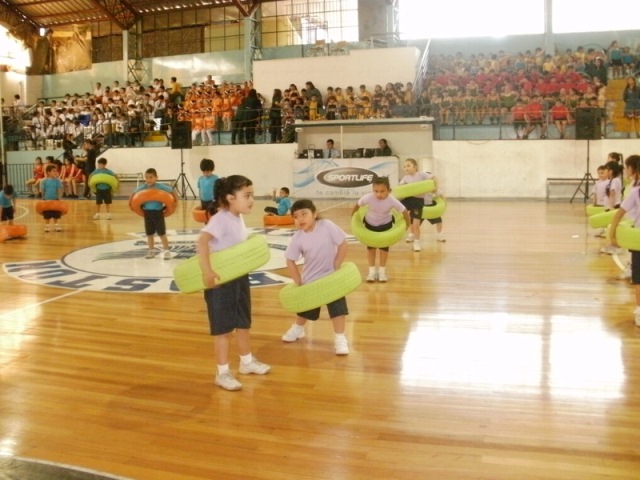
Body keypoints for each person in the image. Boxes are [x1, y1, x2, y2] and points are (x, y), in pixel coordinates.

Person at [196, 175, 270, 391]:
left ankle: (247, 362)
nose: (251, 200)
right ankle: (222, 372)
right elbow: (202, 241)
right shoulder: (220, 219)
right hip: (221, 281)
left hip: (239, 278)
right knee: (223, 329)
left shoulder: (238, 217)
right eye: (247, 196)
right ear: (230, 198)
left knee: (242, 322)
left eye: (252, 195)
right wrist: (207, 271)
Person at [281, 199, 350, 355]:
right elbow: (289, 259)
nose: (301, 219)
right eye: (296, 216)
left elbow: (343, 244)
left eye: (304, 214)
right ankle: (298, 329)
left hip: (330, 278)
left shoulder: (327, 225)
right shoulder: (297, 238)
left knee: (338, 309)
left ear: (315, 214)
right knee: (305, 310)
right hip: (311, 281)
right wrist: (297, 279)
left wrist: (336, 265)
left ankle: (340, 338)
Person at [352, 177, 410, 282]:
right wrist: (353, 218)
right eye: (376, 191)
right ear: (372, 190)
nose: (379, 194)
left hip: (385, 225)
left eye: (382, 191)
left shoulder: (392, 200)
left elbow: (404, 211)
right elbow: (357, 205)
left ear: (389, 190)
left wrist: (407, 225)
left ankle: (382, 272)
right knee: (371, 249)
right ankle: (371, 272)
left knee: (384, 250)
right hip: (370, 224)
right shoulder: (368, 197)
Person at [609, 155, 640, 325]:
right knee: (639, 279)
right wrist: (612, 233)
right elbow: (620, 213)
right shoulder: (636, 192)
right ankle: (639, 310)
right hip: (638, 239)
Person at [130, 168, 178, 260]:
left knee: (162, 233)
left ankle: (167, 251)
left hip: (158, 213)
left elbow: (172, 190)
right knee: (149, 234)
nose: (148, 180)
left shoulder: (160, 186)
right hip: (147, 213)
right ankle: (151, 251)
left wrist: (176, 201)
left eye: (151, 177)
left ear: (156, 178)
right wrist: (130, 203)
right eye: (146, 177)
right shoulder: (144, 187)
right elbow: (133, 192)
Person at [399, 158, 429, 252]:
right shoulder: (405, 178)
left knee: (416, 224)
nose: (406, 168)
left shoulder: (421, 174)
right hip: (408, 199)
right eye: (404, 166)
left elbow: (433, 178)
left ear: (415, 167)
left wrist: (435, 187)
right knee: (399, 214)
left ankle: (417, 242)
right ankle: (410, 235)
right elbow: (399, 188)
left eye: (408, 165)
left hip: (418, 201)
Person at [600, 160, 624, 255]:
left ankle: (616, 246)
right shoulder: (612, 180)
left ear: (611, 171)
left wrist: (611, 207)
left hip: (614, 206)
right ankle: (611, 244)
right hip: (611, 206)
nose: (606, 172)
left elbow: (613, 194)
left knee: (612, 228)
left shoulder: (615, 180)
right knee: (609, 227)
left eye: (607, 170)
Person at [423, 171, 447, 242]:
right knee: (414, 222)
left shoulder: (433, 189)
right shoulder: (420, 188)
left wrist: (445, 204)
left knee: (439, 220)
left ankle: (439, 235)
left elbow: (441, 196)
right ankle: (412, 235)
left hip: (430, 207)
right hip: (420, 206)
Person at [40, 164, 63, 232]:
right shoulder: (44, 181)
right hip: (47, 200)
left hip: (55, 200)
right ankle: (47, 226)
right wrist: (43, 199)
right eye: (53, 171)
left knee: (56, 214)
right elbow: (42, 191)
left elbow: (59, 190)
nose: (55, 172)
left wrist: (59, 198)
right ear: (48, 172)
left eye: (56, 171)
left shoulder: (57, 181)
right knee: (47, 214)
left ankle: (56, 225)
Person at [593, 165, 608, 237]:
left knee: (605, 217)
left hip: (605, 204)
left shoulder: (608, 182)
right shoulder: (597, 183)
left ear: (607, 173)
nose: (600, 175)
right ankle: (600, 230)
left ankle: (605, 230)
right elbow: (595, 193)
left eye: (602, 173)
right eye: (599, 173)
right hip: (598, 204)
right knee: (599, 217)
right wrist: (594, 202)